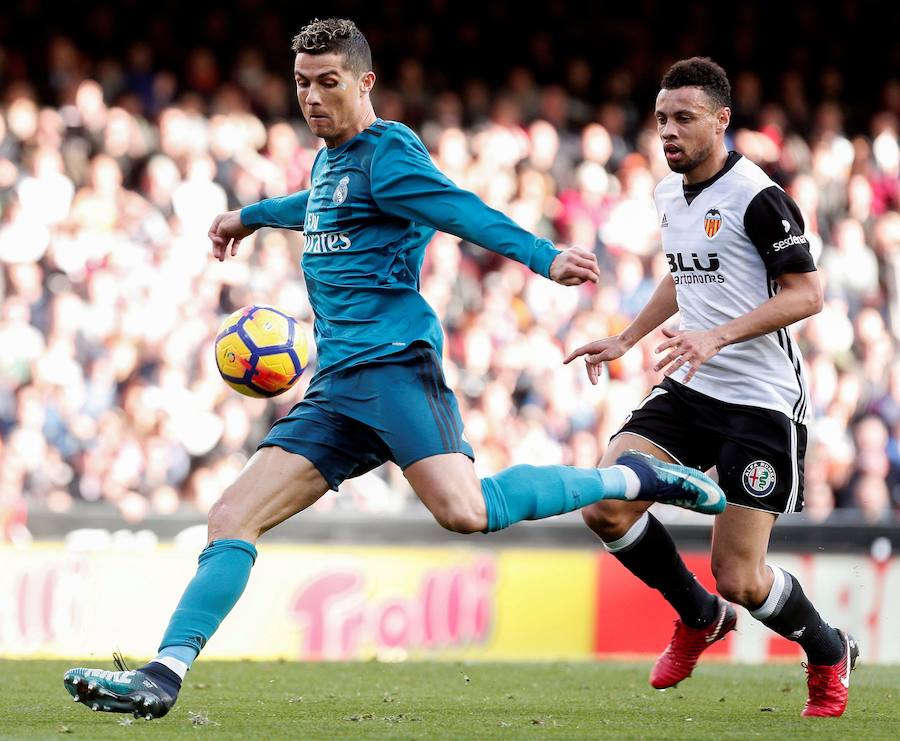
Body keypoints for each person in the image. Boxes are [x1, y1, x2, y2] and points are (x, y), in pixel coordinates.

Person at [62, 20, 725, 720]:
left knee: (468, 512)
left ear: (364, 81)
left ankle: (636, 477)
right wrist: (249, 216)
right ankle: (162, 676)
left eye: (328, 83)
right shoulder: (329, 163)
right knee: (231, 514)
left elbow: (459, 211)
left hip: (395, 370)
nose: (313, 98)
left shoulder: (389, 155)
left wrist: (542, 256)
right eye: (302, 84)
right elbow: (316, 206)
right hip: (336, 388)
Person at [566, 57, 857, 718]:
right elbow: (684, 272)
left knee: (742, 576)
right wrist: (626, 337)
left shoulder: (758, 196)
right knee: (605, 504)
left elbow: (807, 294)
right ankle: (699, 616)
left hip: (760, 402)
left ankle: (827, 649)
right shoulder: (669, 193)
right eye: (662, 118)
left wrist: (718, 335)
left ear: (722, 122)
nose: (667, 131)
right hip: (694, 387)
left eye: (684, 119)